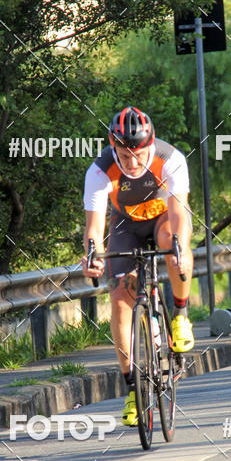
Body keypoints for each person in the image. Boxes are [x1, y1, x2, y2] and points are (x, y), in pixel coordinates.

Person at [82, 106, 194, 426]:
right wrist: (92, 258)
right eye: (123, 154)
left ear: (151, 144)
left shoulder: (170, 159)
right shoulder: (99, 171)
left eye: (138, 154)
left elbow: (179, 215)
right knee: (119, 301)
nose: (131, 163)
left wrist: (181, 250)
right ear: (112, 145)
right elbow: (93, 230)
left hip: (161, 219)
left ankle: (181, 314)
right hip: (125, 226)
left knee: (172, 245)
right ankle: (133, 387)